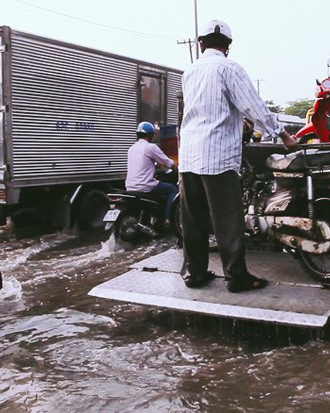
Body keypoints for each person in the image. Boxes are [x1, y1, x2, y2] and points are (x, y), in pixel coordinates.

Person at [178, 19, 297, 292]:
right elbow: (254, 106)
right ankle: (237, 277)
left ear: (201, 43)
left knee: (193, 220)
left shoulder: (190, 72)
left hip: (189, 156)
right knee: (228, 219)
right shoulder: (229, 68)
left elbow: (198, 111)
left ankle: (195, 274)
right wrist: (282, 134)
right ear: (227, 46)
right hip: (217, 156)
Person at [125, 121, 177, 228]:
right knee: (172, 189)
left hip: (129, 186)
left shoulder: (131, 149)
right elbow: (167, 162)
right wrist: (176, 167)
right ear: (150, 135)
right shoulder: (150, 147)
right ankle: (168, 219)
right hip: (144, 186)